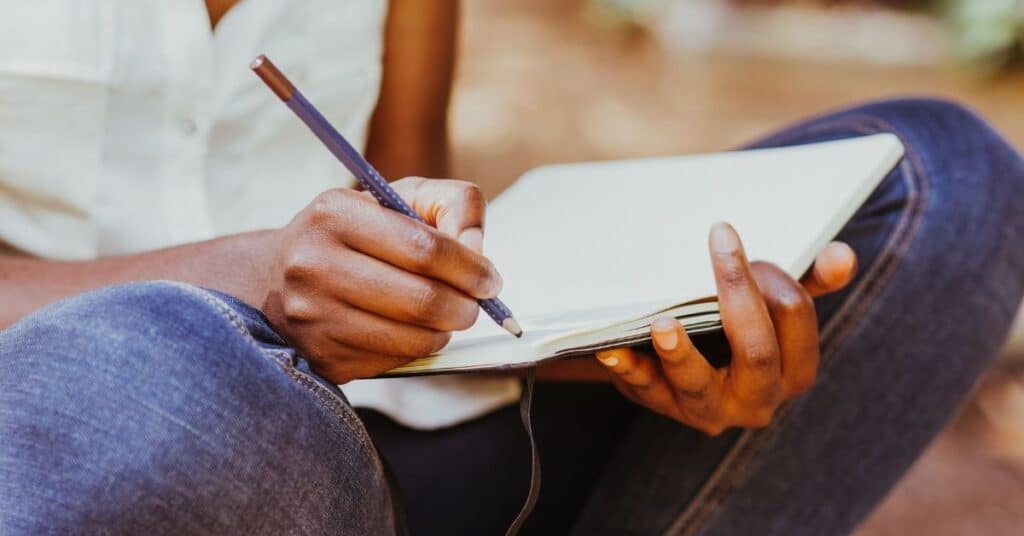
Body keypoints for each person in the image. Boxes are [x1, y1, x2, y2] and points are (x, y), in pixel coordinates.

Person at [0, 1, 1022, 534]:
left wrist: (654, 340)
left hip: (428, 442)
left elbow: (418, 216)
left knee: (948, 181)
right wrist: (251, 277)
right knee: (175, 378)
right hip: (146, 457)